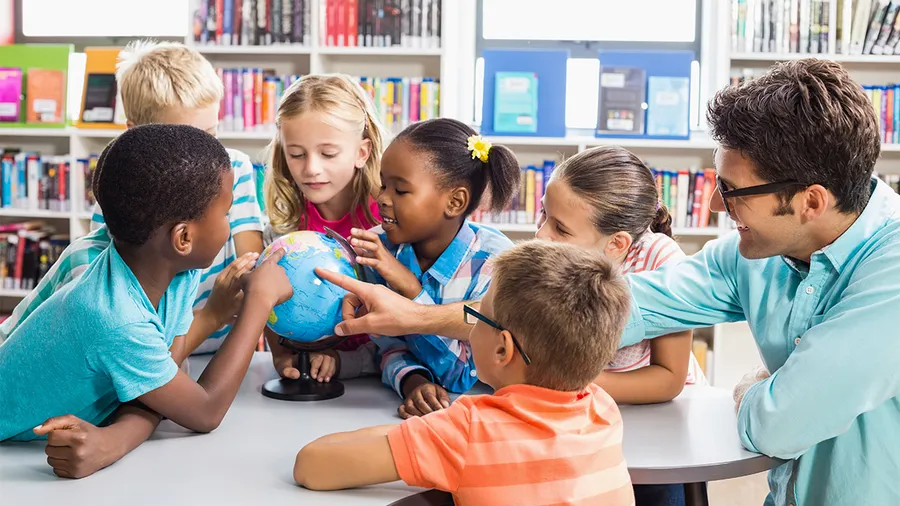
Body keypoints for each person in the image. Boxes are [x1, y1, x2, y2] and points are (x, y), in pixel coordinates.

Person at [316, 59, 900, 505]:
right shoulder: (749, 255)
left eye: (734, 191)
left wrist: (750, 388)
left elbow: (782, 420)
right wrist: (417, 316)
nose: (719, 205)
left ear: (810, 201)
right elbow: (590, 309)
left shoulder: (891, 275)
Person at [0, 125, 292, 481]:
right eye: (226, 212)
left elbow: (169, 376)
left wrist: (114, 440)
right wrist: (258, 303)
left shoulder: (173, 272)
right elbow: (204, 412)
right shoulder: (115, 318)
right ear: (183, 237)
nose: (231, 224)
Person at [295, 241, 635, 506]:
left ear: (503, 350)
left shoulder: (468, 432)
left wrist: (426, 432)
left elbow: (312, 465)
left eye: (477, 316)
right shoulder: (602, 409)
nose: (469, 324)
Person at [0, 40, 266, 357]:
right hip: (149, 349)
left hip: (219, 347)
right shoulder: (124, 186)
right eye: (186, 142)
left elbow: (252, 264)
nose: (206, 155)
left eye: (211, 134)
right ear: (134, 135)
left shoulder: (233, 167)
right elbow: (113, 300)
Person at [305, 118, 521, 416]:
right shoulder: (379, 249)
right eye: (383, 184)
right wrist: (413, 381)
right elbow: (389, 345)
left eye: (401, 191)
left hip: (479, 418)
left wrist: (410, 287)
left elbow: (464, 374)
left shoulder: (493, 263)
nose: (381, 199)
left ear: (455, 202)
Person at [536, 145, 706, 405]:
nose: (541, 234)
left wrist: (570, 383)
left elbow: (669, 379)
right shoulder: (549, 255)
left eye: (560, 228)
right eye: (543, 213)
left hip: (661, 410)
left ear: (616, 244)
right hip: (582, 400)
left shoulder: (661, 262)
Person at [262, 73, 385, 374]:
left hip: (381, 371)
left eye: (328, 154)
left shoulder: (386, 221)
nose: (311, 169)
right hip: (308, 370)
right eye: (296, 154)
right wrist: (280, 358)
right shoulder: (286, 224)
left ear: (361, 152)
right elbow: (269, 308)